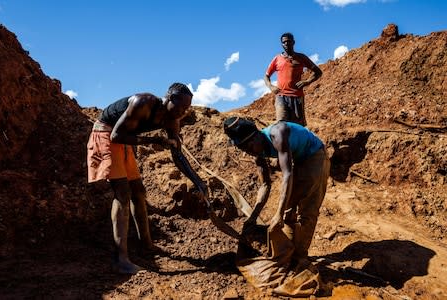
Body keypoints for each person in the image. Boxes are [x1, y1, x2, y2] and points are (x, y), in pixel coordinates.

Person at [87, 83, 207, 274]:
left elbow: (178, 155)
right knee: (123, 193)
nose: (183, 112)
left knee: (139, 191)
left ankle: (147, 245)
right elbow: (117, 135)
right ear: (169, 99)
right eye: (181, 107)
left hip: (125, 138)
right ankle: (121, 259)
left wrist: (198, 181)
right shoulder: (144, 102)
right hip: (106, 134)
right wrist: (154, 141)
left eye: (187, 109)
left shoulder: (172, 121)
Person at [223, 116, 330, 297]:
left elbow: (287, 174)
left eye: (249, 146)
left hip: (315, 156)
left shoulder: (278, 134)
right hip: (299, 159)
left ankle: (300, 258)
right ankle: (288, 255)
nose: (249, 151)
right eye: (243, 149)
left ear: (256, 135)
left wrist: (278, 213)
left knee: (307, 210)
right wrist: (254, 215)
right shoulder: (257, 152)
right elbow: (265, 185)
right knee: (288, 211)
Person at [264, 32, 322, 126]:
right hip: (281, 96)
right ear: (282, 44)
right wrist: (271, 86)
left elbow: (318, 72)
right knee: (281, 124)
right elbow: (266, 76)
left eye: (288, 41)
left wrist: (307, 81)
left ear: (293, 42)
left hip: (297, 96)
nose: (286, 44)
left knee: (298, 127)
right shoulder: (277, 59)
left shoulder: (301, 57)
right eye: (284, 42)